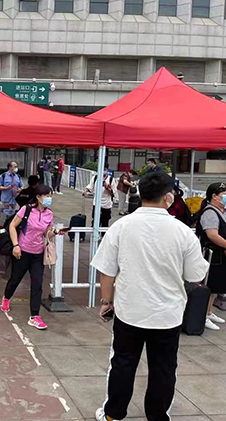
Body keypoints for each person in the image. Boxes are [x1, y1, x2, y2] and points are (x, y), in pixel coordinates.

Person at [92, 172, 208, 421]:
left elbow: (106, 271)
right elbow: (195, 275)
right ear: (168, 197)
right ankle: (157, 416)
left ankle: (113, 414)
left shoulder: (121, 226)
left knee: (122, 363)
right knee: (164, 368)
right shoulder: (183, 232)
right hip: (167, 314)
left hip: (129, 310)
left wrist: (106, 302)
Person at [0, 185, 64, 330]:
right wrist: (16, 245)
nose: (49, 198)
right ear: (38, 197)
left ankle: (34, 316)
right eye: (47, 195)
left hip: (38, 254)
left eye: (51, 196)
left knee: (37, 284)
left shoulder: (49, 214)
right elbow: (12, 226)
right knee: (15, 279)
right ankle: (6, 298)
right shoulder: (27, 209)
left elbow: (46, 234)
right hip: (22, 252)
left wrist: (55, 232)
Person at [197, 182, 226, 331]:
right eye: (224, 195)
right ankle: (203, 315)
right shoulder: (210, 212)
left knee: (217, 285)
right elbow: (212, 235)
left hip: (221, 254)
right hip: (212, 255)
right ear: (214, 196)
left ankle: (209, 312)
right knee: (209, 284)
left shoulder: (221, 210)